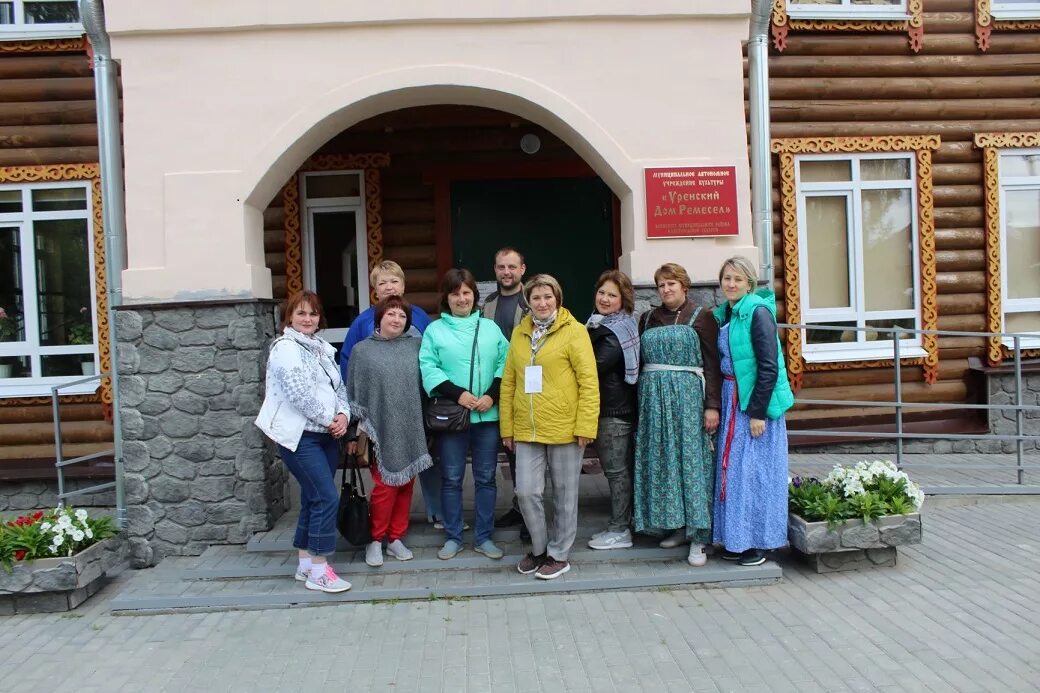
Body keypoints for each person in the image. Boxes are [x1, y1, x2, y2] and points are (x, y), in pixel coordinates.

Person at [500, 274, 599, 580]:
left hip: (565, 427)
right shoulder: (519, 333)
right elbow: (509, 383)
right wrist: (507, 427)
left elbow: (589, 382)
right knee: (526, 491)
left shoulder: (575, 332)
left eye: (548, 297)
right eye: (536, 298)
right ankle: (540, 549)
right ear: (528, 301)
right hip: (527, 428)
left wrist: (586, 425)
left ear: (558, 299)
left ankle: (559, 553)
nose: (542, 303)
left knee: (565, 493)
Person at [255, 290, 351, 593]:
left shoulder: (322, 348)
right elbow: (298, 393)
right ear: (290, 318)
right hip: (300, 437)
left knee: (313, 497)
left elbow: (339, 387)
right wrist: (329, 419)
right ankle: (320, 569)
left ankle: (305, 562)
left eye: (312, 314)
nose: (308, 319)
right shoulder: (285, 347)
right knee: (326, 497)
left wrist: (344, 416)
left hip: (327, 436)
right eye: (301, 313)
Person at [338, 260, 440, 527]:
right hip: (379, 416)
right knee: (385, 480)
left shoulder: (418, 317)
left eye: (394, 281)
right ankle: (378, 532)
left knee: (423, 466)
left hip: (414, 412)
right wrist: (353, 421)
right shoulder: (362, 323)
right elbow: (350, 365)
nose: (389, 287)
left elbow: (432, 356)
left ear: (403, 285)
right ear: (375, 290)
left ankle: (435, 511)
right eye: (382, 283)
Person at [633, 262, 721, 567]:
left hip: (688, 402)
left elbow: (712, 365)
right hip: (654, 403)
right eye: (661, 285)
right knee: (665, 462)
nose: (666, 289)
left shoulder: (702, 317)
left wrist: (712, 406)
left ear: (685, 286)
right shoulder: (647, 319)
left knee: (692, 464)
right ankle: (676, 526)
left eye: (672, 283)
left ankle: (699, 536)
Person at [419, 269, 510, 560]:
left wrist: (490, 396)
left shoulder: (490, 329)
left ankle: (484, 537)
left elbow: (505, 363)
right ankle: (453, 536)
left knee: (485, 477)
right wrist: (458, 394)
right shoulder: (435, 331)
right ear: (447, 298)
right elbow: (429, 368)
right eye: (455, 293)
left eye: (467, 292)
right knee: (452, 478)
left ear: (474, 296)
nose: (462, 298)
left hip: (486, 416)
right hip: (452, 417)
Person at [712, 256, 794, 567]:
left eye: (737, 279)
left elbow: (769, 366)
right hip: (733, 398)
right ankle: (737, 539)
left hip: (753, 406)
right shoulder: (729, 314)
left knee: (755, 474)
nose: (731, 284)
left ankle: (758, 543)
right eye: (726, 278)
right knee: (734, 474)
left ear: (749, 283)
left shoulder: (758, 313)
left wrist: (758, 412)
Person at [346, 295, 433, 568]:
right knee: (384, 487)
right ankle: (375, 539)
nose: (396, 320)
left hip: (410, 425)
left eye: (402, 316)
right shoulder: (363, 351)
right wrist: (352, 431)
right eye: (391, 314)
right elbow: (353, 392)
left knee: (406, 483)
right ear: (379, 318)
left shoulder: (416, 346)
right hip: (377, 429)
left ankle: (395, 538)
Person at [585, 270, 640, 550]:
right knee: (617, 470)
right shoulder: (598, 324)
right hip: (608, 409)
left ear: (623, 299)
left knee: (617, 472)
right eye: (602, 292)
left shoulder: (615, 331)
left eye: (612, 295)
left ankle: (620, 530)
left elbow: (593, 367)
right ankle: (621, 525)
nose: (604, 299)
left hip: (614, 413)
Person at [482, 247, 531, 538]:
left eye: (512, 266)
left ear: (522, 269)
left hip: (526, 389)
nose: (507, 272)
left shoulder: (534, 300)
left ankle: (530, 516)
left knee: (526, 454)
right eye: (501, 267)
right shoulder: (487, 303)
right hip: (496, 388)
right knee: (509, 452)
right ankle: (517, 506)